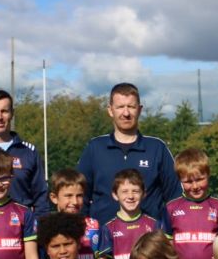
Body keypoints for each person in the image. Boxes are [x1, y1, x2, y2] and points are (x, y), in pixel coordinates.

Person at [76, 83, 180, 223]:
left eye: (131, 107)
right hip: (104, 240)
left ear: (140, 109)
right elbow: (80, 195)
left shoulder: (157, 148)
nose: (126, 113)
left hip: (148, 240)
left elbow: (175, 199)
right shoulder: (95, 148)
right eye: (120, 107)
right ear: (110, 110)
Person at [160, 148, 218, 259]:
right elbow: (166, 247)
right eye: (188, 181)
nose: (195, 186)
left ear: (208, 174)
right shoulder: (171, 208)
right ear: (180, 180)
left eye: (200, 179)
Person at [96, 169, 158, 259]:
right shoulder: (108, 228)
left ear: (144, 194)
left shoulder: (154, 224)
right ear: (115, 195)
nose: (130, 196)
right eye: (124, 191)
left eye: (135, 191)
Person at [47, 168, 102, 259]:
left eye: (79, 196)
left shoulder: (94, 226)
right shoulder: (47, 227)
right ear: (54, 198)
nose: (75, 202)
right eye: (68, 196)